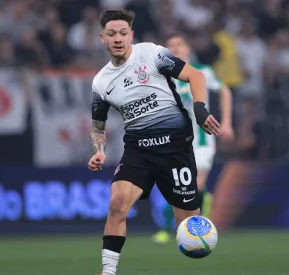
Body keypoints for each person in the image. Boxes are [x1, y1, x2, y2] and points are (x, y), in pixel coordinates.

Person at [88, 9, 221, 275]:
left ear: (131, 35)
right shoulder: (101, 82)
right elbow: (98, 126)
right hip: (139, 150)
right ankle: (108, 271)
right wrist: (99, 150)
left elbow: (197, 76)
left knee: (190, 230)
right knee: (116, 204)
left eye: (123, 33)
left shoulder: (151, 53)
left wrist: (200, 108)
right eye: (112, 34)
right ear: (102, 38)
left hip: (174, 149)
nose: (118, 39)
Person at [152, 33, 235, 244]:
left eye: (180, 44)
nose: (176, 48)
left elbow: (224, 91)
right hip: (174, 143)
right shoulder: (162, 77)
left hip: (201, 142)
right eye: (171, 45)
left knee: (193, 185)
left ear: (188, 48)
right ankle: (167, 228)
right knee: (176, 187)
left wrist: (226, 123)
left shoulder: (203, 71)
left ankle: (201, 222)